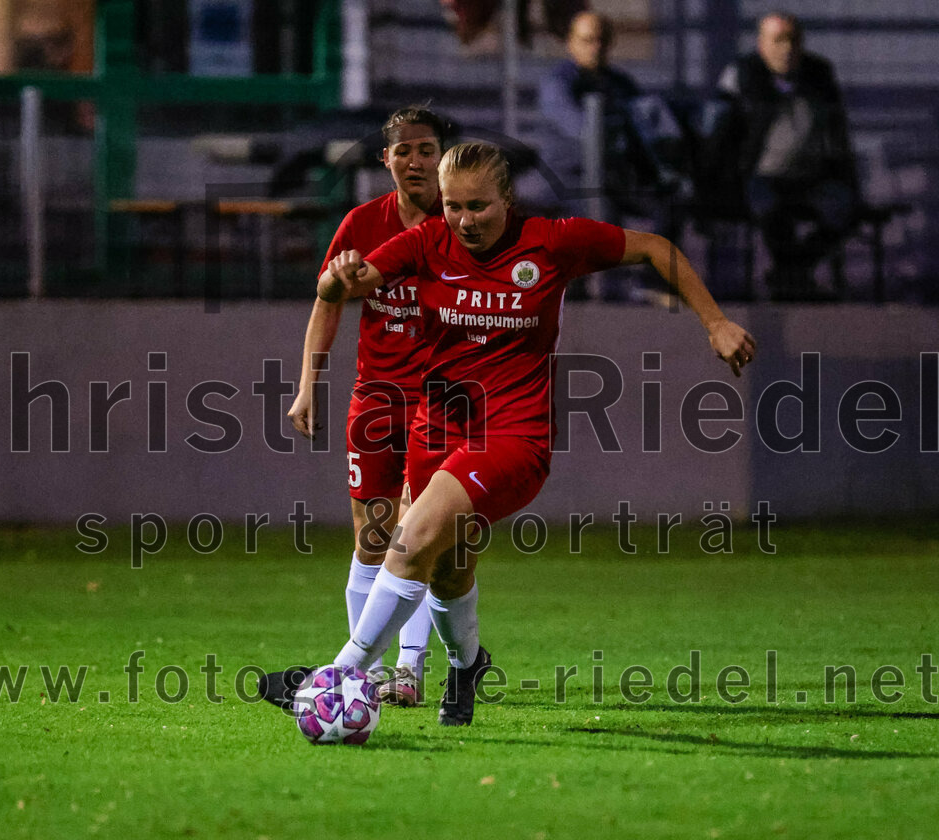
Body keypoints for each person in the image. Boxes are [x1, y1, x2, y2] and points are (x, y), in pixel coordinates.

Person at [266, 142, 756, 727]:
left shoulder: (551, 242)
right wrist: (336, 280)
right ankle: (467, 664)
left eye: (479, 206)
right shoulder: (428, 242)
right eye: (453, 206)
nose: (465, 221)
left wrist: (716, 320)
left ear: (508, 199)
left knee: (412, 536)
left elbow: (654, 248)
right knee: (449, 568)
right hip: (437, 428)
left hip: (513, 436)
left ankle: (339, 675)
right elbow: (353, 281)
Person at [282, 106, 450, 708]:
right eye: (403, 151)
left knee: (416, 533)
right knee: (372, 538)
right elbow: (327, 298)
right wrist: (308, 383)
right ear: (387, 160)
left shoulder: (462, 224)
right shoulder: (362, 223)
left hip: (442, 401)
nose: (415, 160)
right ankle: (365, 670)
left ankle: (406, 669)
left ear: (442, 157)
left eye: (426, 149)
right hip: (376, 398)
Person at [538, 11, 684, 300]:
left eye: (602, 40)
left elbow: (644, 128)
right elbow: (578, 127)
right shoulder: (559, 83)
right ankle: (598, 296)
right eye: (587, 40)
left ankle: (651, 283)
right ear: (571, 43)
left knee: (669, 202)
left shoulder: (620, 83)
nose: (595, 47)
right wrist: (614, 129)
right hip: (571, 178)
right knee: (602, 215)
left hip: (615, 175)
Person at [713, 12, 858, 301]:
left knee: (846, 209)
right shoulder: (742, 75)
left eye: (794, 40)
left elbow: (837, 131)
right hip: (760, 175)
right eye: (778, 40)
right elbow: (721, 135)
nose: (787, 48)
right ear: (761, 44)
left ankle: (791, 273)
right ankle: (793, 279)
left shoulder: (819, 74)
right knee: (772, 211)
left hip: (812, 176)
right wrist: (720, 182)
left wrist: (846, 176)